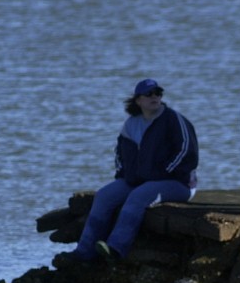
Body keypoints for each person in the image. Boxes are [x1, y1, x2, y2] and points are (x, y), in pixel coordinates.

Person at [67, 79, 199, 262]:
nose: (155, 96)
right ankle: (84, 252)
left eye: (158, 92)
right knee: (104, 196)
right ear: (138, 100)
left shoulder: (174, 120)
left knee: (139, 196)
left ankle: (115, 249)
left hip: (178, 183)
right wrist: (124, 175)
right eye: (149, 93)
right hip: (138, 180)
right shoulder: (131, 124)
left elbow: (187, 153)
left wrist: (161, 174)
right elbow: (120, 154)